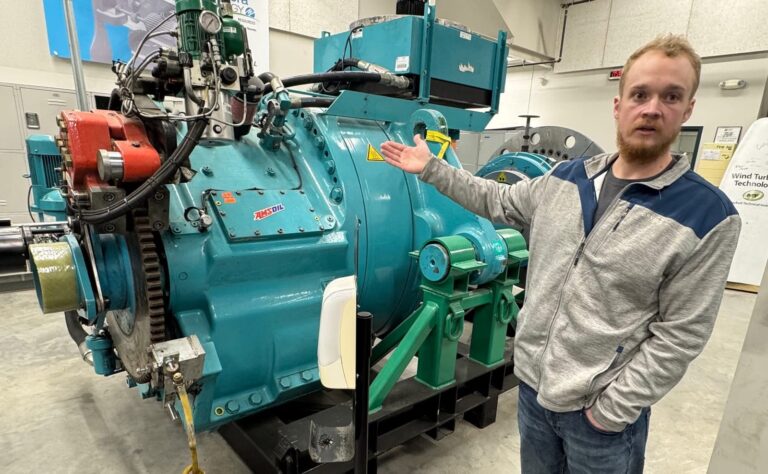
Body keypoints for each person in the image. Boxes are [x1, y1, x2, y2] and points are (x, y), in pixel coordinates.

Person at [379, 34, 741, 473]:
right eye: (640, 94)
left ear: (688, 110)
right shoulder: (566, 179)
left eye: (671, 96)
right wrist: (434, 170)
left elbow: (681, 334)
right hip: (533, 390)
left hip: (600, 419)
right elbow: (497, 200)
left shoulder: (707, 215)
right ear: (618, 104)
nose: (651, 108)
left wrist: (610, 411)